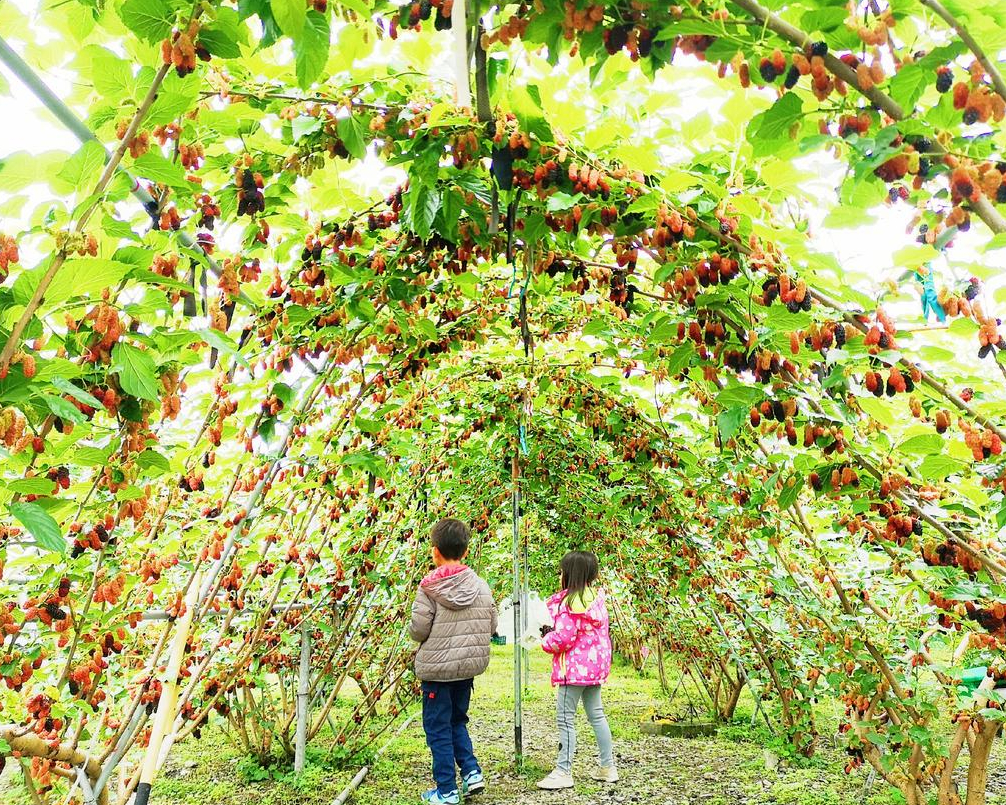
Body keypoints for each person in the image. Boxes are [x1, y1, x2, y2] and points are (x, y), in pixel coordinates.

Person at [409, 518, 498, 805]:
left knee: (437, 729)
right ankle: (472, 773)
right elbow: (492, 622)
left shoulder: (428, 588)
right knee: (457, 720)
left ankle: (446, 790)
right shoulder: (481, 585)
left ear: (435, 551)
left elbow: (419, 630)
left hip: (437, 671)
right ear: (466, 550)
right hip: (466, 669)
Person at [535, 550, 616, 790]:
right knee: (597, 715)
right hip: (593, 670)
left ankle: (563, 771)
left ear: (568, 575)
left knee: (565, 718)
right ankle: (607, 767)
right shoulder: (596, 600)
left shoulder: (569, 604)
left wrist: (543, 641)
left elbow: (563, 638)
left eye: (562, 571)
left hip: (573, 670)